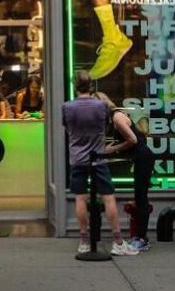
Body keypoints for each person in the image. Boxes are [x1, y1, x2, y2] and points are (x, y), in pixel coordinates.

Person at [62, 71, 137, 256]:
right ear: (90, 85)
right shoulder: (101, 106)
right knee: (108, 197)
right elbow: (106, 125)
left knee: (80, 198)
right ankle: (118, 241)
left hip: (77, 158)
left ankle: (83, 241)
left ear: (74, 85)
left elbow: (68, 129)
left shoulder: (67, 107)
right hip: (98, 157)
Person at [101, 98, 155, 252]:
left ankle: (142, 238)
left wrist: (114, 149)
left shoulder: (117, 118)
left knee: (141, 197)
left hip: (143, 157)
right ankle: (139, 236)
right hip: (140, 158)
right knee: (139, 197)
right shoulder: (117, 117)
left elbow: (133, 139)